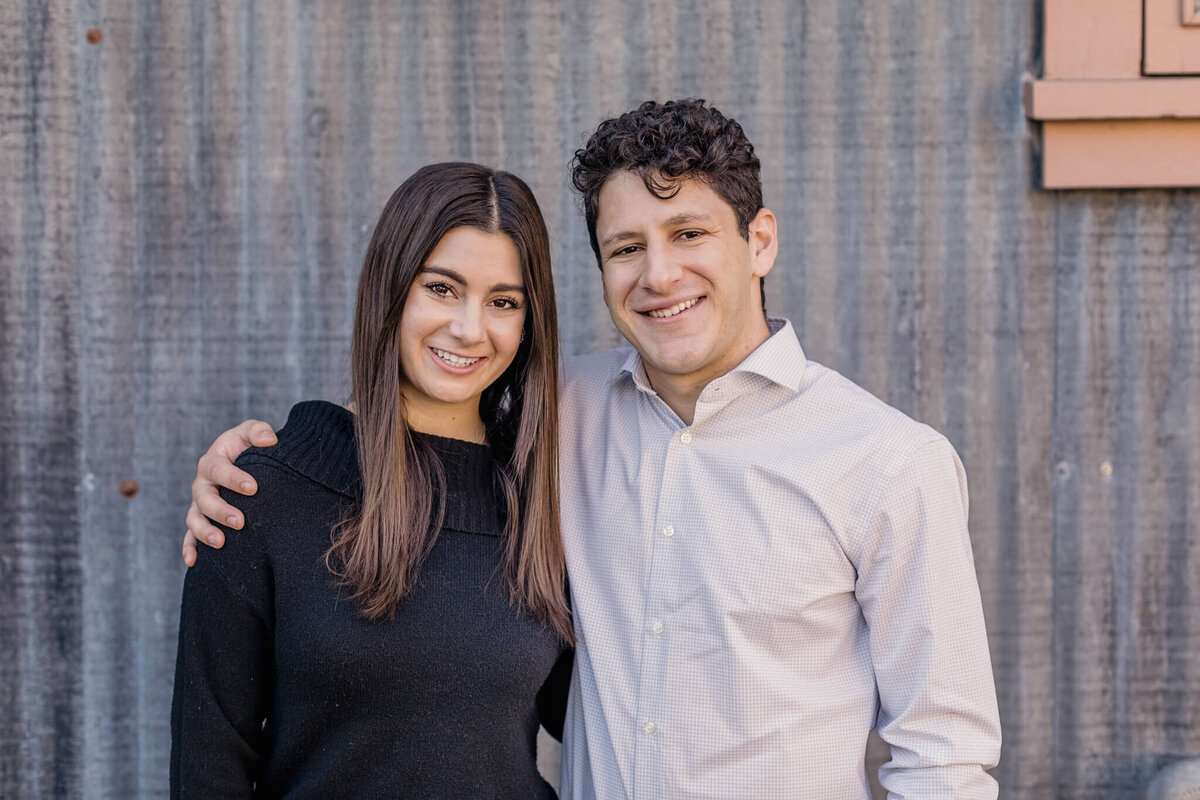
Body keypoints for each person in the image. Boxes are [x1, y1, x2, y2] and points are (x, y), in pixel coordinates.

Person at [184, 101, 1002, 798]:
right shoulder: (560, 420)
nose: (659, 274)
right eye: (625, 248)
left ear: (759, 241)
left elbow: (947, 756)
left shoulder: (888, 462)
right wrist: (274, 460)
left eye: (689, 232)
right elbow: (416, 426)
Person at [171, 162, 574, 799]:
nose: (470, 329)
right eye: (442, 289)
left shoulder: (547, 500)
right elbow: (209, 769)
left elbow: (597, 719)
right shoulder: (264, 494)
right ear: (391, 288)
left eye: (503, 302)